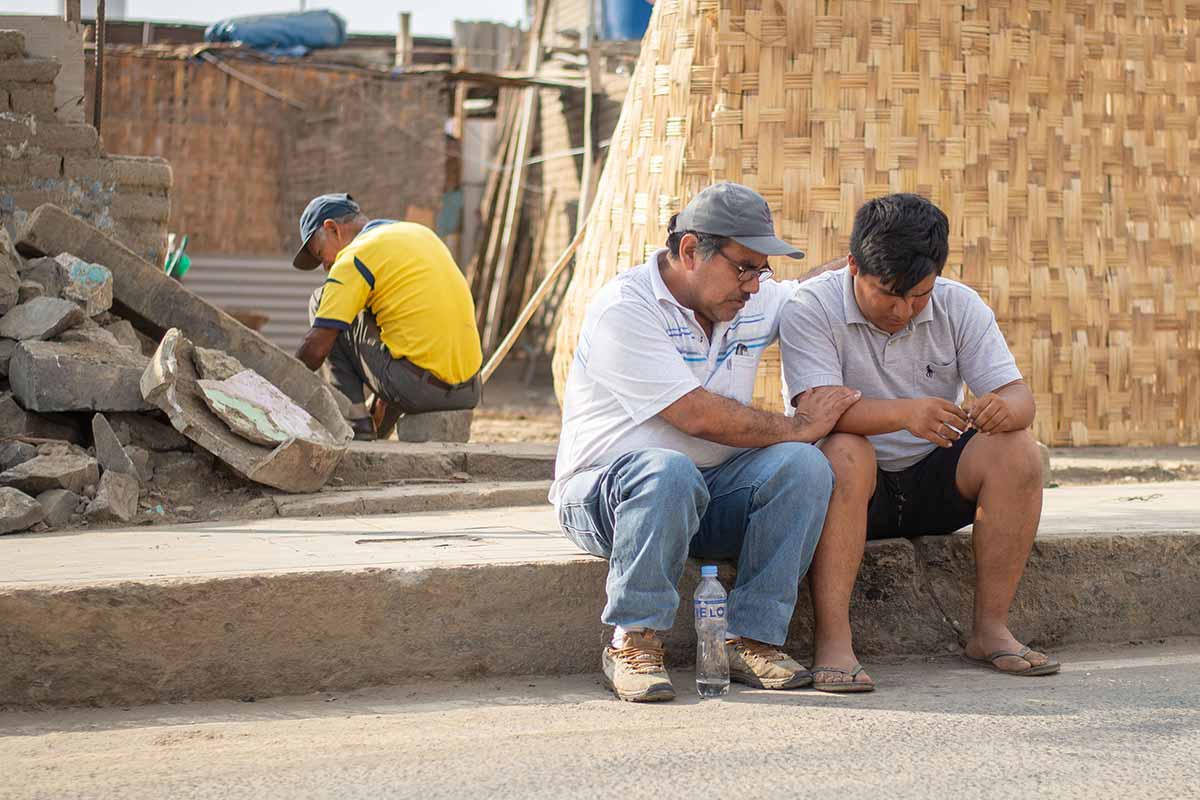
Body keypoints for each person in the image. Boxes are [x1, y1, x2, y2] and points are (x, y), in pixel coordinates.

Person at [553, 182, 862, 702]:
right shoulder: (625, 308)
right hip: (608, 497)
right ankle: (633, 639)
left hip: (707, 496)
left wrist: (867, 262)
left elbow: (810, 286)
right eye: (744, 267)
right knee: (667, 469)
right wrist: (796, 426)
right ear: (692, 250)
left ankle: (750, 638)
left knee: (804, 467)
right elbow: (694, 416)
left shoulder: (745, 302)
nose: (755, 285)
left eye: (762, 270)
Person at [778, 193, 1059, 692]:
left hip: (932, 478)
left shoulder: (959, 304)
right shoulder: (811, 306)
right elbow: (816, 413)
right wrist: (905, 413)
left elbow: (1020, 397)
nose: (903, 309)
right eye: (888, 293)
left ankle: (990, 630)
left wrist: (1002, 408)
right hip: (849, 489)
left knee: (1018, 448)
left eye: (919, 295)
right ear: (852, 266)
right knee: (845, 449)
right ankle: (834, 643)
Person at [292, 193, 483, 441]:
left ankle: (354, 421)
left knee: (323, 302)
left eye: (320, 254)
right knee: (370, 315)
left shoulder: (354, 258)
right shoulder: (420, 234)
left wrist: (281, 386)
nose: (325, 267)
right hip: (469, 390)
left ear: (332, 229)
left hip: (419, 390)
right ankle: (375, 423)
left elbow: (316, 349)